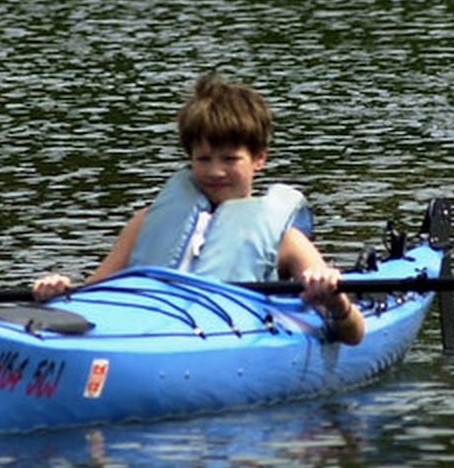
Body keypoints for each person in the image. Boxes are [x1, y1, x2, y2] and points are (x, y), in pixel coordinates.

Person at [31, 73, 365, 344]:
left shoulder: (286, 240)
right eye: (203, 159)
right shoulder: (146, 222)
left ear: (259, 158)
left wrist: (335, 300)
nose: (215, 171)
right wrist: (59, 293)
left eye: (230, 159)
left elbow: (354, 334)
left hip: (231, 338)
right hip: (142, 329)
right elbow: (91, 295)